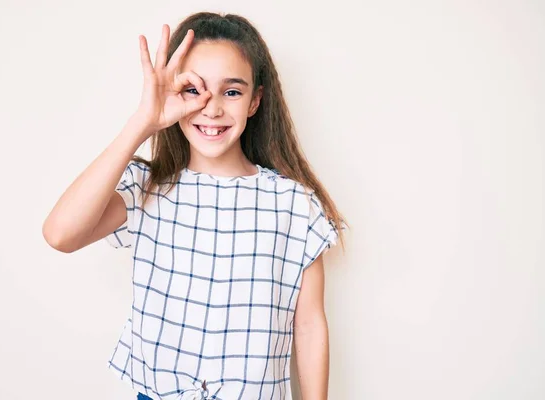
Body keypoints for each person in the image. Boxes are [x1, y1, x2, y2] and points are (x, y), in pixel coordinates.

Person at [42, 11, 348, 400]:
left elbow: (308, 325)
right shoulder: (147, 188)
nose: (212, 108)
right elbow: (59, 234)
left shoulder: (292, 204)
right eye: (194, 90)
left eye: (232, 91)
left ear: (255, 101)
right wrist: (144, 121)